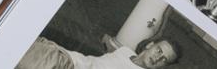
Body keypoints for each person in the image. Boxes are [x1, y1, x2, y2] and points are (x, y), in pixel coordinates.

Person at [16, 37, 178, 69]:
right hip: (66, 55)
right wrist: (109, 40)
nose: (157, 58)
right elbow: (115, 48)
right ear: (150, 45)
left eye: (164, 59)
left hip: (63, 64)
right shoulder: (126, 51)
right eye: (159, 50)